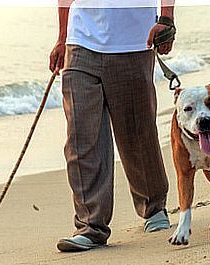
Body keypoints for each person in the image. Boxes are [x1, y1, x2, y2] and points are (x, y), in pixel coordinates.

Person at [49, 0, 176, 252]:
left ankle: (153, 207)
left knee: (137, 133)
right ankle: (90, 226)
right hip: (80, 43)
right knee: (80, 137)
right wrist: (62, 37)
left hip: (134, 41)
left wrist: (166, 19)